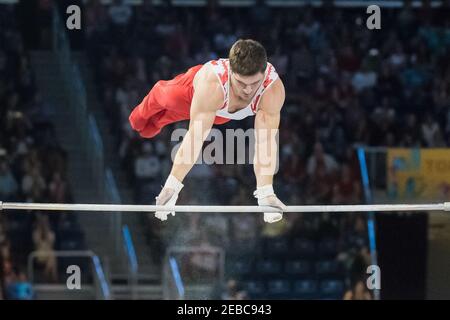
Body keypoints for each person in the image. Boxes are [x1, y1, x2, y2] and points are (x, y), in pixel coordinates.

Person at [129, 39, 286, 223]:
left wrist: (266, 193)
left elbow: (265, 144)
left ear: (263, 73)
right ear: (231, 72)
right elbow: (195, 139)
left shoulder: (272, 89)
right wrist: (173, 185)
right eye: (241, 83)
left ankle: (157, 119)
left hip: (219, 112)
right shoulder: (213, 83)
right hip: (190, 95)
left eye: (254, 83)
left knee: (156, 125)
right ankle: (154, 96)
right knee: (142, 123)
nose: (248, 90)